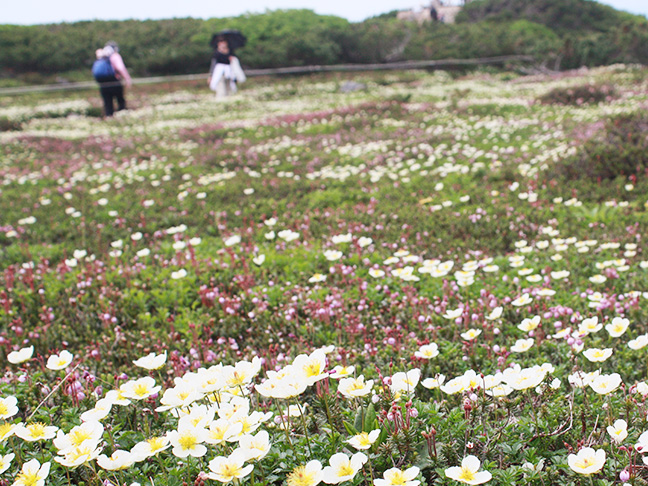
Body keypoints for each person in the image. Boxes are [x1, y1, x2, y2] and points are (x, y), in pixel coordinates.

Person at [94, 42, 132, 117]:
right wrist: (127, 79)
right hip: (114, 81)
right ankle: (122, 115)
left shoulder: (101, 57)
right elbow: (120, 68)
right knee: (120, 99)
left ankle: (109, 116)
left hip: (102, 83)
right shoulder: (115, 56)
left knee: (107, 101)